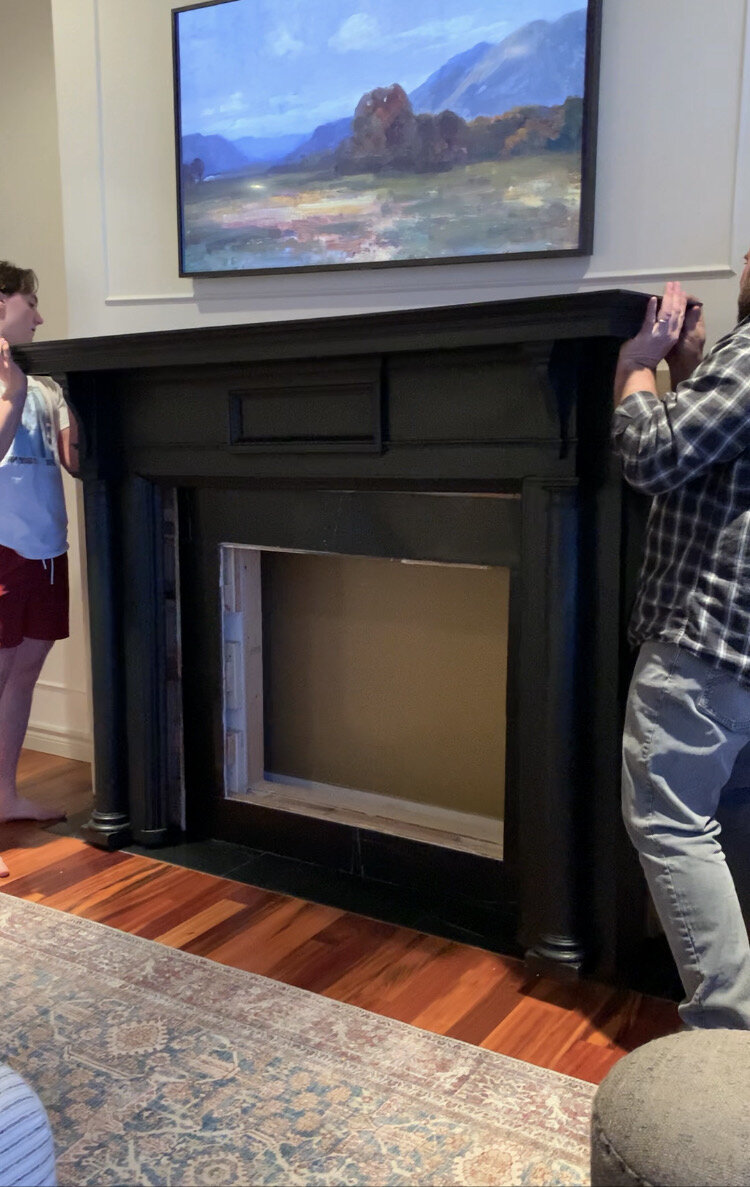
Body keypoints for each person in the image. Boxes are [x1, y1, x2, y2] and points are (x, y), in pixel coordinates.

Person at [612, 257, 750, 1029]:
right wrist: (694, 367)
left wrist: (635, 367)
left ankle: (731, 1036)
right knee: (733, 820)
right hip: (743, 646)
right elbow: (722, 453)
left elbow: (653, 456)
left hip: (710, 630)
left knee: (668, 818)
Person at [0, 261, 78, 877]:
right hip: (2, 550)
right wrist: (13, 395)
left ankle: (5, 794)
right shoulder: (14, 387)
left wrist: (81, 400)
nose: (41, 315)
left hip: (48, 551)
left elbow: (74, 463)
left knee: (24, 673)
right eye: (31, 301)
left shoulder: (46, 386)